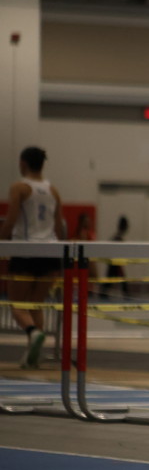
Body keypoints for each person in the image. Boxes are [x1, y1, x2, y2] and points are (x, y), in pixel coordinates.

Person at [0, 146, 66, 369]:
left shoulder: (20, 187)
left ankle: (33, 333)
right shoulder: (53, 191)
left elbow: (10, 220)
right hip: (50, 252)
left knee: (17, 305)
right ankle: (33, 355)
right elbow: (59, 226)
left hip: (25, 251)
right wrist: (61, 252)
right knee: (36, 304)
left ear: (23, 163)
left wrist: (2, 241)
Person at [101, 215, 129, 299]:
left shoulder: (117, 236)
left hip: (115, 261)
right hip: (114, 261)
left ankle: (104, 293)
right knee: (116, 278)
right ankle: (126, 294)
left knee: (112, 278)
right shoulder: (117, 237)